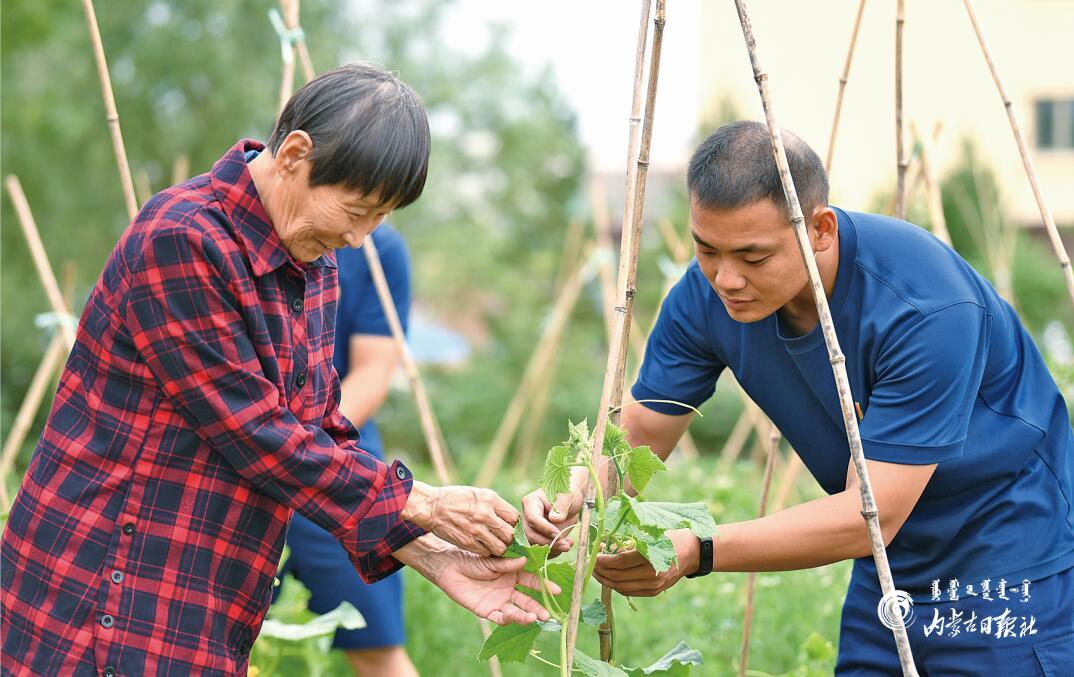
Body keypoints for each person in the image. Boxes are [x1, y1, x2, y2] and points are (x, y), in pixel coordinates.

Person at [1, 63, 554, 677]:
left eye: (380, 219)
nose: (359, 237)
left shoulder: (311, 264)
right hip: (107, 582)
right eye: (356, 209)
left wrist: (434, 556)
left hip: (202, 591)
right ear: (293, 154)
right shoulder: (183, 238)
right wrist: (424, 502)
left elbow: (315, 429)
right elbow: (258, 433)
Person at [522, 121, 1074, 674]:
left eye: (753, 257)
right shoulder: (703, 296)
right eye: (706, 249)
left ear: (821, 229)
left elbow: (870, 517)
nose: (726, 278)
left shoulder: (924, 307)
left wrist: (697, 550)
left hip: (1010, 555)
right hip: (890, 570)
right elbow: (639, 435)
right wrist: (574, 497)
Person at [273, 221, 418, 676]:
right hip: (233, 464)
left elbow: (374, 372)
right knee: (203, 642)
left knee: (376, 645)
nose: (358, 229)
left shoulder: (379, 250)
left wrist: (303, 452)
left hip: (340, 464)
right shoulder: (231, 237)